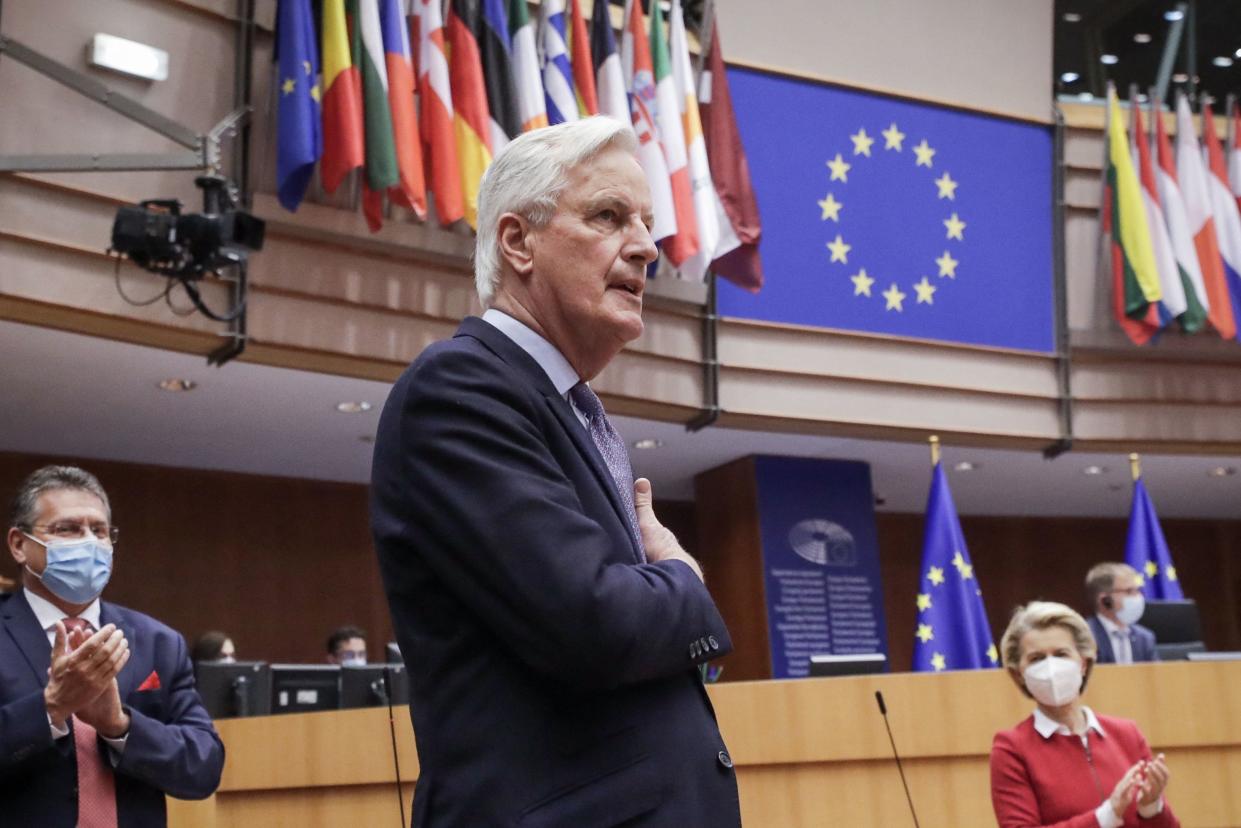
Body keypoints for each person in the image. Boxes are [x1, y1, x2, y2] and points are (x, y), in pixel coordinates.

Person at [370, 117, 738, 827]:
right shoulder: (461, 389)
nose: (643, 246)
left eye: (646, 223)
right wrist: (683, 579)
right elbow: (593, 623)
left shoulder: (567, 409)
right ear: (517, 242)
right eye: (607, 216)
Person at [0, 465, 225, 827]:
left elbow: (203, 768)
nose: (88, 542)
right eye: (67, 529)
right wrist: (52, 707)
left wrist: (118, 725)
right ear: (19, 545)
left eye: (99, 531)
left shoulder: (158, 642)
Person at [991, 601, 1178, 828]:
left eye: (1061, 654)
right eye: (1037, 659)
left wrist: (1151, 807)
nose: (1051, 667)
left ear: (1083, 662)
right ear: (1018, 673)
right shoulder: (1012, 748)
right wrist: (1106, 816)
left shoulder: (1126, 733)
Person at [1085, 563, 1159, 664]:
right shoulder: (1085, 636)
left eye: (1137, 590)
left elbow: (1157, 677)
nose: (1138, 597)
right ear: (1105, 599)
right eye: (1129, 591)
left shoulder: (1144, 638)